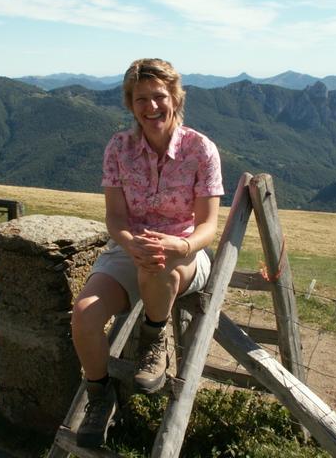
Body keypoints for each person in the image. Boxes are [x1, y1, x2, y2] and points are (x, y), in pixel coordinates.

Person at [70, 58, 224, 448]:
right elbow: (115, 218)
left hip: (184, 251)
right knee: (84, 315)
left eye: (159, 96)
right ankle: (99, 397)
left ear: (175, 98)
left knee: (157, 268)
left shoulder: (200, 149)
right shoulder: (119, 148)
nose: (151, 107)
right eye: (141, 98)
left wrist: (179, 245)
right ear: (130, 103)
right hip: (130, 249)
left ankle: (153, 339)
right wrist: (130, 243)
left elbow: (208, 226)